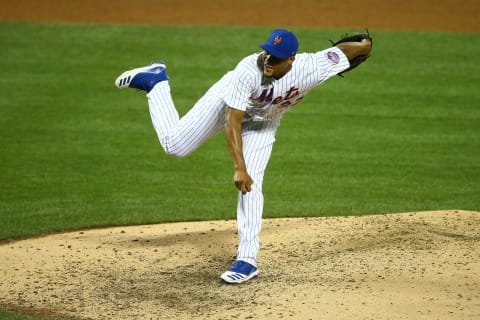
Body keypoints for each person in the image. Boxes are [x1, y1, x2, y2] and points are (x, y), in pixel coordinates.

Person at [115, 29, 372, 284]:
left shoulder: (311, 67)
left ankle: (247, 261)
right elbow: (232, 122)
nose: (269, 60)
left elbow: (344, 53)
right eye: (268, 53)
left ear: (291, 59)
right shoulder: (247, 71)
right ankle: (156, 82)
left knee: (253, 184)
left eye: (277, 57)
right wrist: (240, 166)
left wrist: (365, 45)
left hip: (263, 124)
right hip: (227, 106)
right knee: (175, 146)